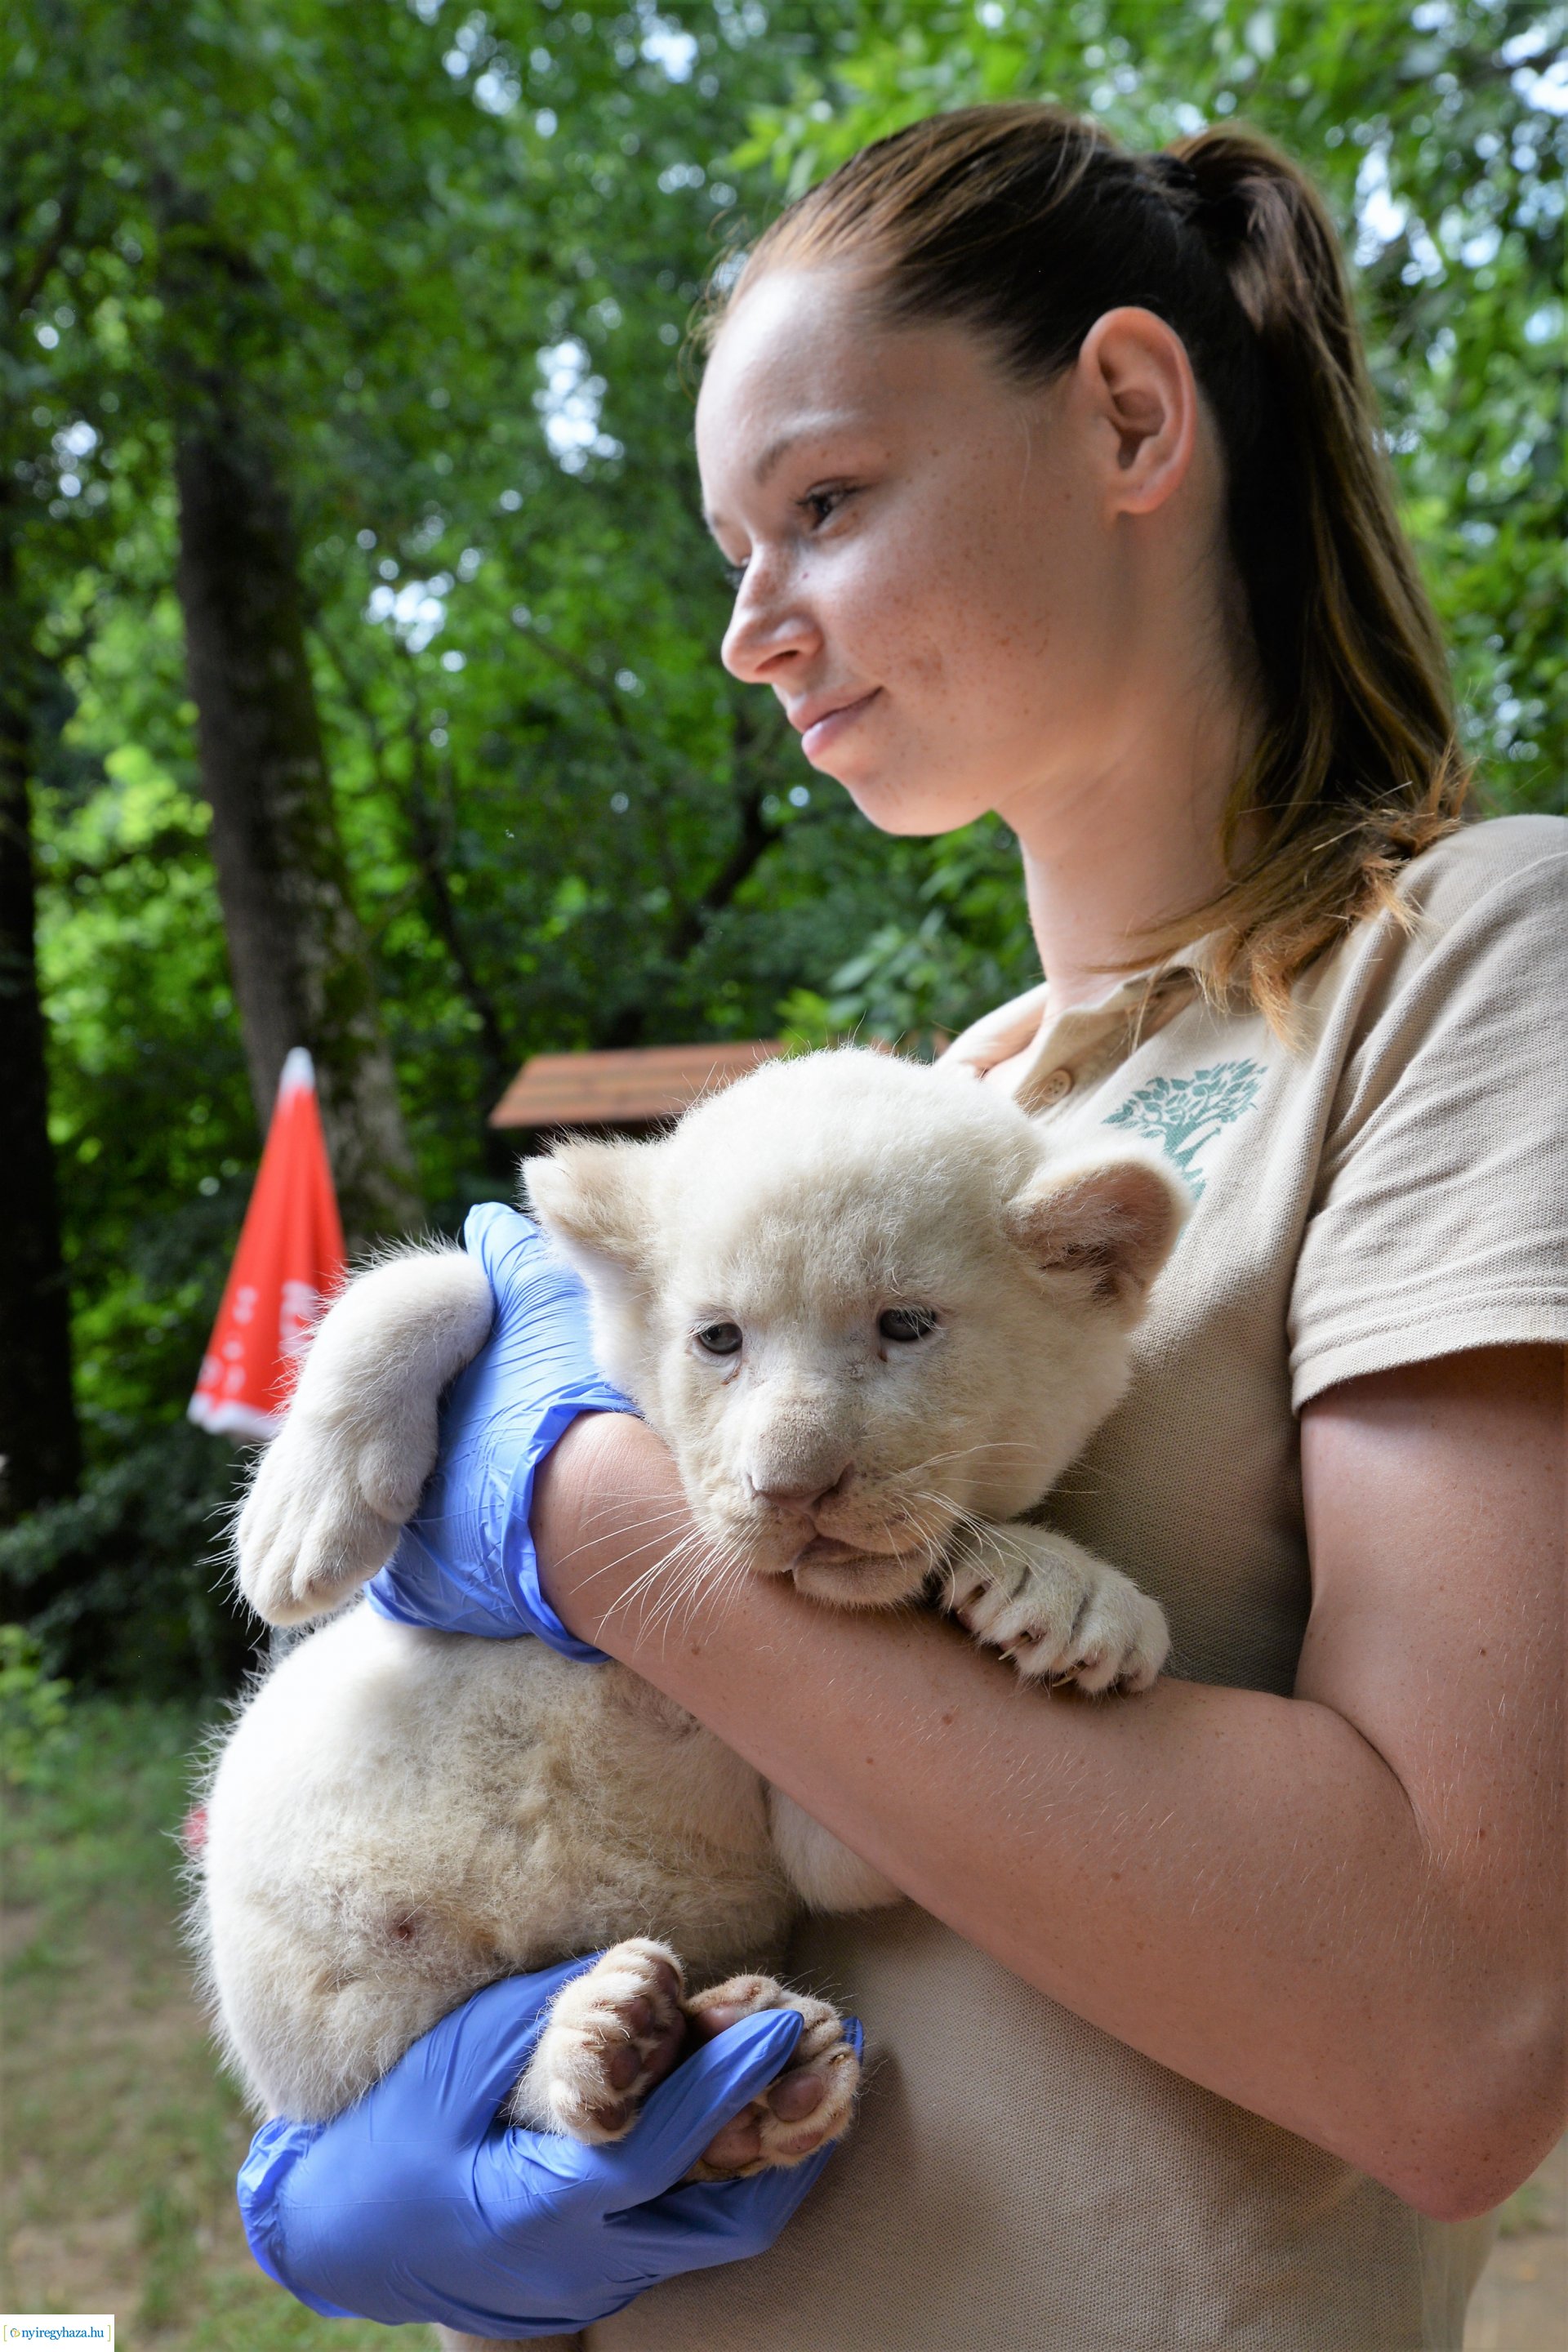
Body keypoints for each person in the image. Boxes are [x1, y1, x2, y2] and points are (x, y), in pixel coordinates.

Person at [240, 105, 1566, 2351]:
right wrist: (377, 2131)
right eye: (731, 550)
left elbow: (1456, 2031)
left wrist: (588, 1515)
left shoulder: (1471, 963)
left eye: (825, 505)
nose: (756, 629)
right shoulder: (942, 1110)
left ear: (1132, 414)